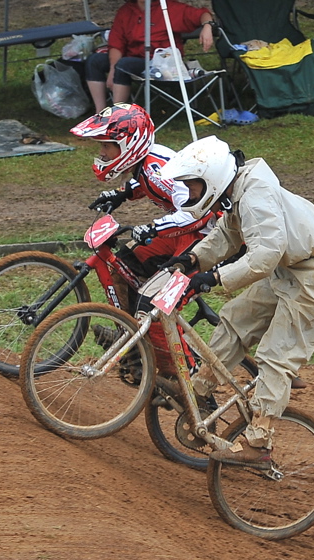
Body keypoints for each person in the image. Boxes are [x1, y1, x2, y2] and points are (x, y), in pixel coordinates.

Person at [157, 136, 314, 469]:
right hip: (289, 269)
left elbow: (264, 256)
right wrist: (192, 260)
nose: (188, 194)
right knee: (236, 320)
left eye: (192, 186)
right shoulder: (238, 190)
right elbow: (227, 235)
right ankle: (199, 388)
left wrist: (215, 278)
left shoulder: (256, 196)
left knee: (276, 356)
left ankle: (259, 442)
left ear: (213, 178)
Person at [70, 103, 215, 376]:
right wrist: (122, 193)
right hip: (182, 231)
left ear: (128, 146)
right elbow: (145, 182)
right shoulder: (146, 165)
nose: (101, 153)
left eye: (107, 146)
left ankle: (186, 380)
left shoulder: (156, 169)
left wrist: (153, 227)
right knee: (122, 268)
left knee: (154, 307)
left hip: (204, 235)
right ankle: (133, 344)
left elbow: (197, 212)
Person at [85, 0, 216, 112]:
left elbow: (203, 14)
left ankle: (117, 116)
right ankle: (100, 113)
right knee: (94, 60)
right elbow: (116, 43)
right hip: (132, 57)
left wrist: (207, 27)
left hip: (161, 64)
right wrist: (112, 69)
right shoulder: (126, 11)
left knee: (124, 64)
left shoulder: (168, 8)